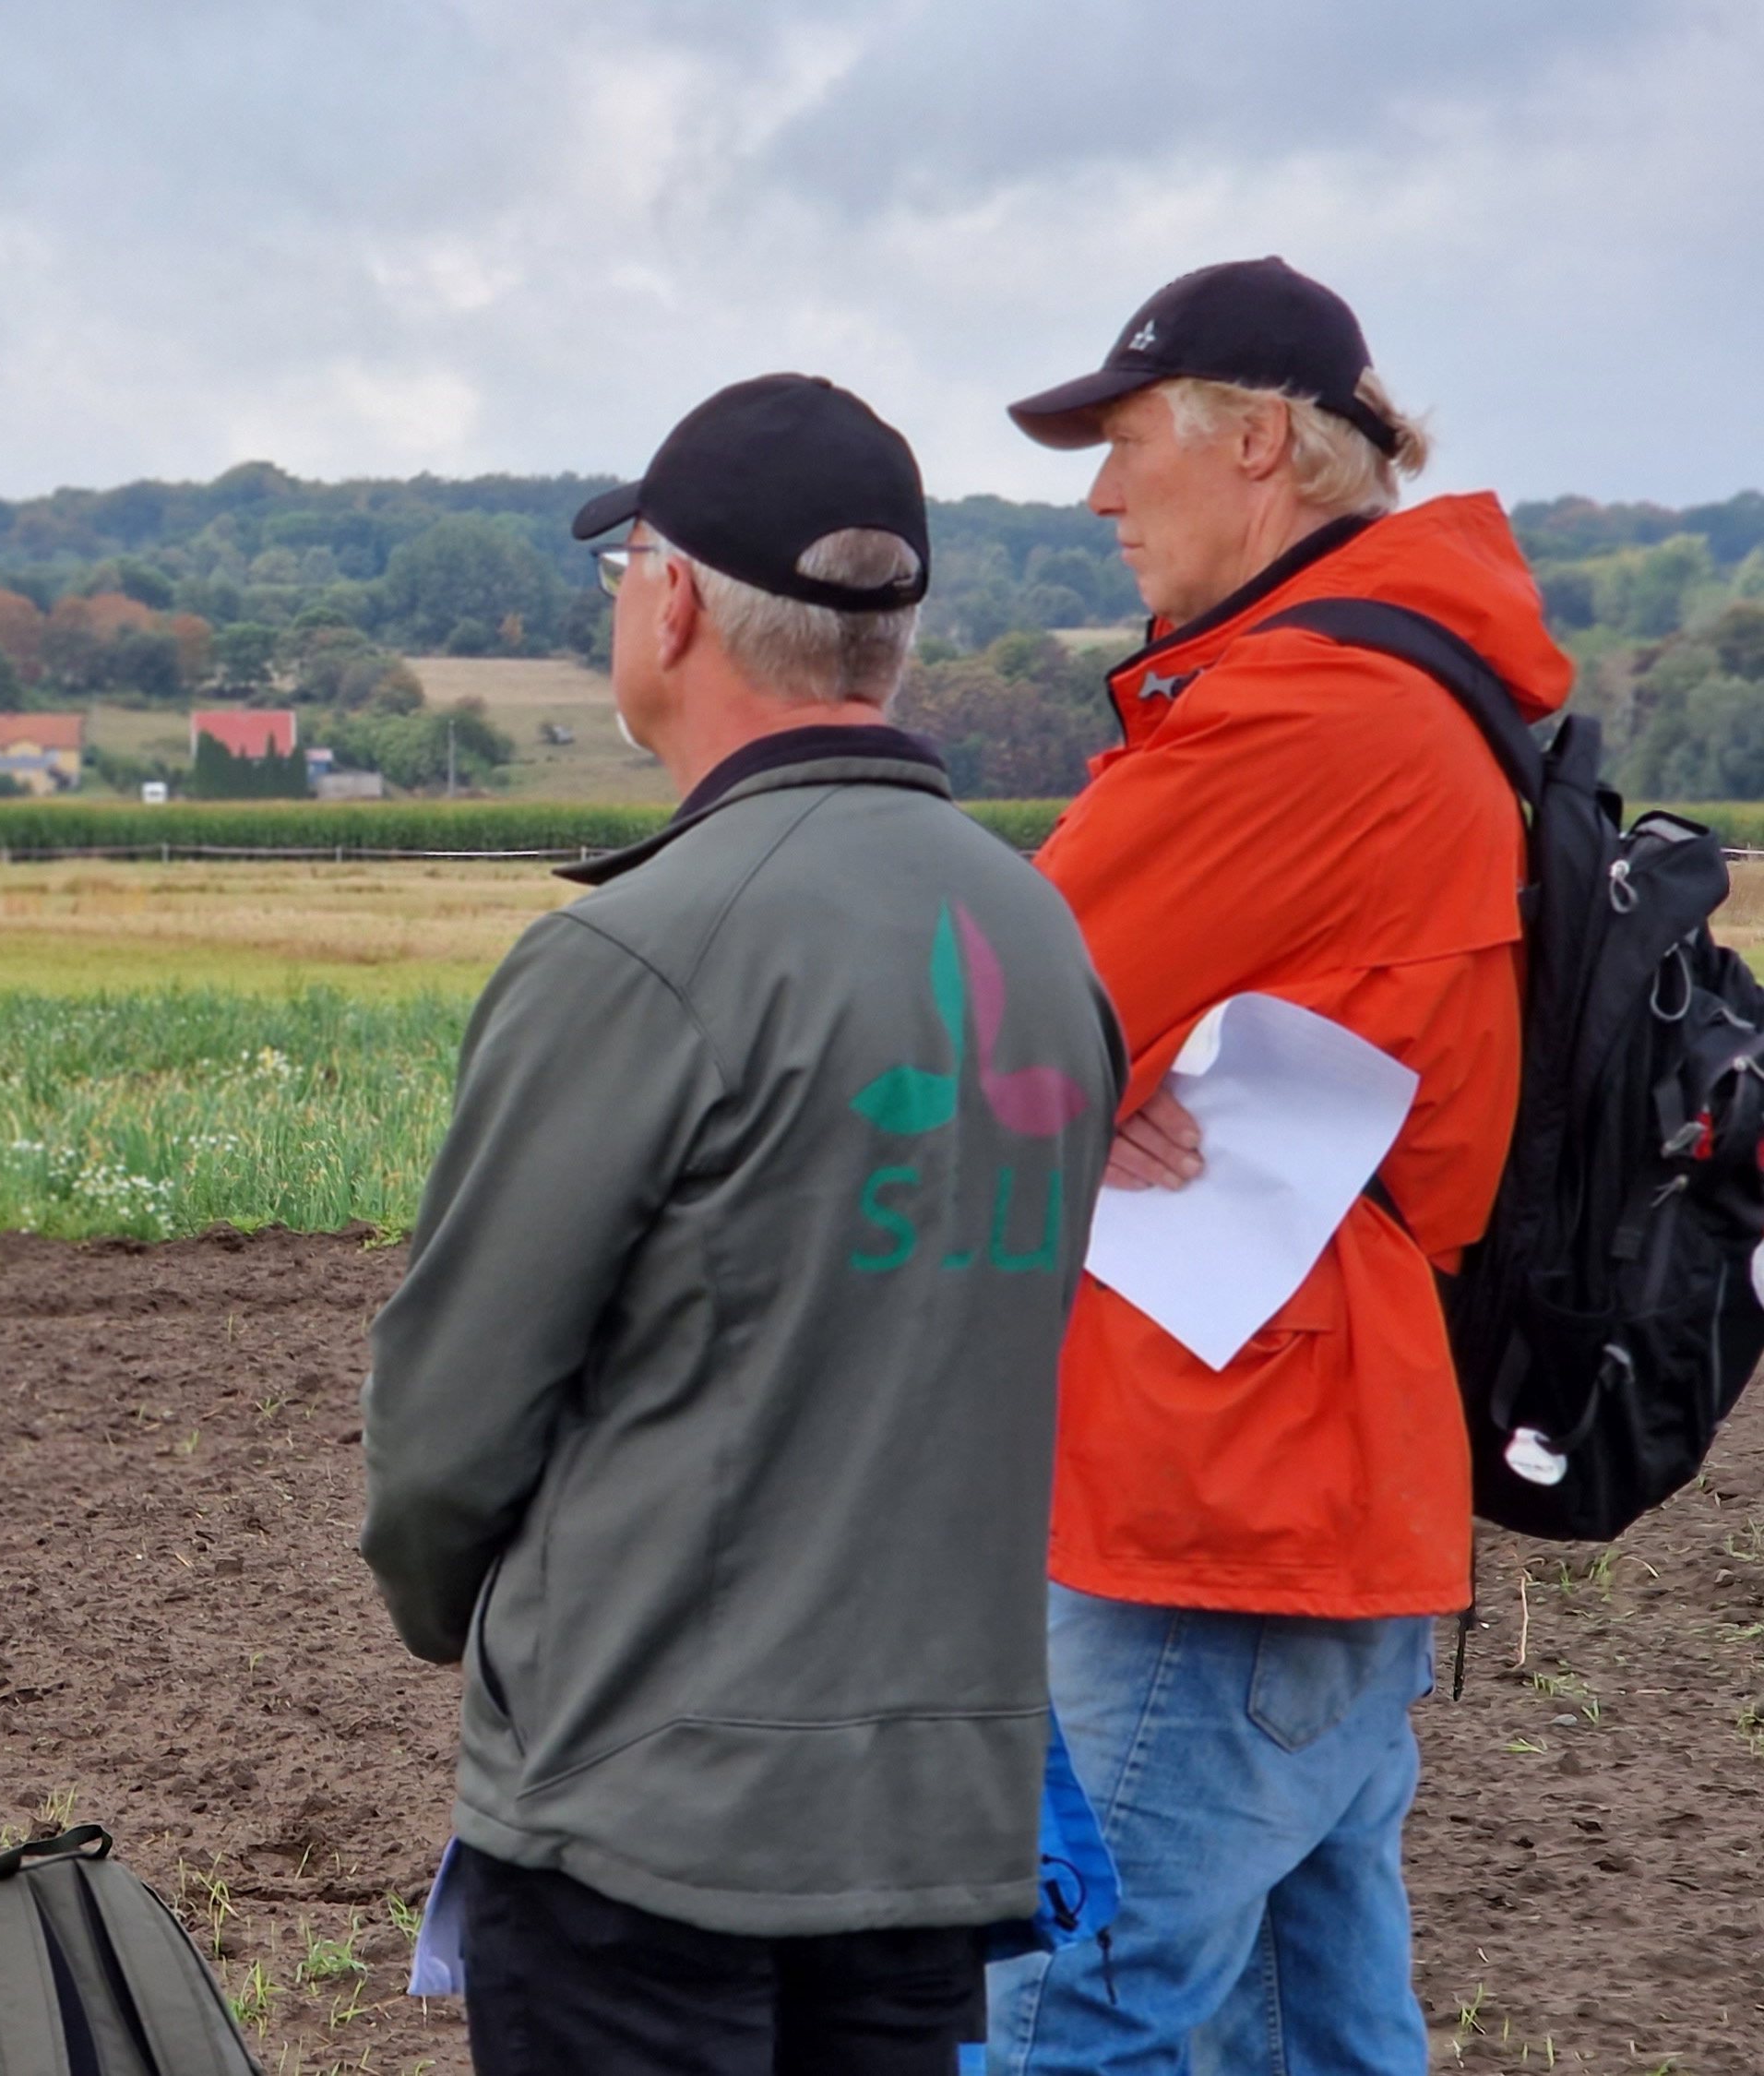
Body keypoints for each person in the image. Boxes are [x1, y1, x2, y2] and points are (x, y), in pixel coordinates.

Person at [359, 375, 1124, 2075]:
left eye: (624, 562)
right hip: (934, 1822)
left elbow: (442, 1438)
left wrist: (460, 1629)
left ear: (675, 598)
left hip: (653, 1823)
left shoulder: (632, 955)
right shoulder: (1044, 937)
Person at [980, 258, 1572, 2070]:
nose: (1093, 496)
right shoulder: (1428, 684)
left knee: (1073, 2017)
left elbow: (969, 1023)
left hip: (1208, 1494)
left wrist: (1054, 1091)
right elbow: (1049, 1045)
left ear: (1256, 444)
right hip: (1329, 1479)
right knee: (1309, 2030)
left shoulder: (1304, 716)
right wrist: (1076, 1087)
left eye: (1122, 440)